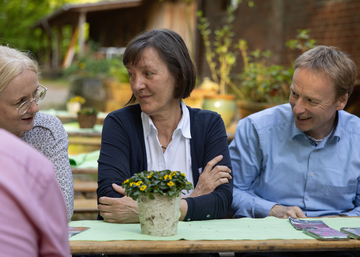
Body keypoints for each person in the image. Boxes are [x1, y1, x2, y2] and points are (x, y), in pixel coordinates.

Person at [229, 46, 360, 257]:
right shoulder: (256, 129)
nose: (297, 108)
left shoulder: (358, 137)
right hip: (267, 243)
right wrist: (272, 210)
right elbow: (229, 192)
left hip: (338, 245)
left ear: (341, 101)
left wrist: (342, 222)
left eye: (311, 100)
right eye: (294, 94)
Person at [97, 29, 233, 224]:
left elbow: (221, 202)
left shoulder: (209, 125)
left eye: (148, 73)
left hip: (194, 250)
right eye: (131, 75)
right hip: (132, 250)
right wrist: (195, 198)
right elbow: (109, 203)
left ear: (178, 76)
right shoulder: (119, 124)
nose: (137, 85)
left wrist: (141, 209)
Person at [0, 45, 74, 221]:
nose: (35, 107)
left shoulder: (47, 130)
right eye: (21, 101)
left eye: (35, 94)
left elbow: (62, 209)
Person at [0, 129, 70, 257]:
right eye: (17, 106)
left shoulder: (46, 129)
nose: (34, 108)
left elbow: (65, 208)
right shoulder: (30, 163)